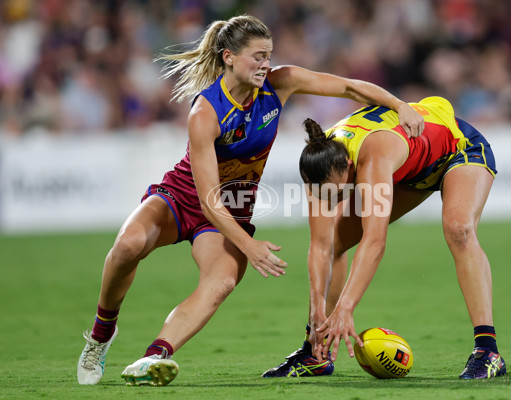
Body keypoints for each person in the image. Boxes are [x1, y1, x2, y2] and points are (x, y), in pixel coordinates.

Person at [76, 14, 425, 386]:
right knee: (129, 245)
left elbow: (349, 88)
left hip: (233, 209)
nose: (266, 64)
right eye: (257, 56)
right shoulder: (205, 112)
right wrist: (250, 247)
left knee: (221, 282)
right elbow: (209, 199)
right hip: (185, 197)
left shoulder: (280, 83)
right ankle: (101, 334)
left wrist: (399, 104)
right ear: (228, 56)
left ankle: (153, 357)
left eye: (269, 55)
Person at [262, 96, 507, 380]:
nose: (333, 200)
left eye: (339, 193)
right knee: (335, 241)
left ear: (349, 167)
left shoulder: (372, 160)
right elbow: (320, 246)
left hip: (458, 149)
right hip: (414, 165)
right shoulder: (319, 162)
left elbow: (374, 241)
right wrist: (318, 309)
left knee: (459, 229)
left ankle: (487, 350)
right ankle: (317, 352)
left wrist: (346, 307)